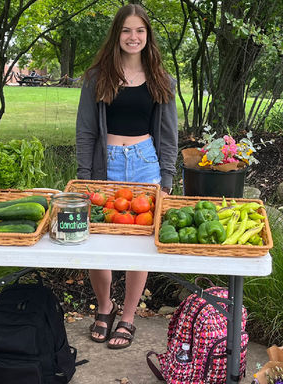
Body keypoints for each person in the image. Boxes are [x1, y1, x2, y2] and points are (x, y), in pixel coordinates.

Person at [75, 4, 178, 349]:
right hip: (107, 164)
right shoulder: (96, 77)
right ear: (117, 35)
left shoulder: (162, 80)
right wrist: (83, 177)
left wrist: (167, 179)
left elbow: (167, 136)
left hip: (145, 164)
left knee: (139, 247)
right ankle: (105, 306)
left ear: (148, 37)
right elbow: (86, 132)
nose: (133, 37)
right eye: (126, 31)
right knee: (95, 244)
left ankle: (128, 316)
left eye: (140, 31)